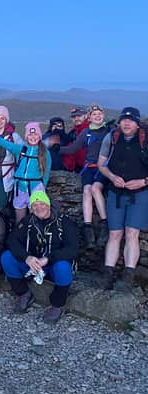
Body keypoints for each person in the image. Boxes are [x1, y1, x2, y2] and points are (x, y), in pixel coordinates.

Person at [0, 191, 78, 324]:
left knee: (63, 267)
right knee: (7, 257)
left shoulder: (63, 222)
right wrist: (26, 258)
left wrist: (48, 258)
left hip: (53, 265)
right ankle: (23, 293)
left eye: (42, 203)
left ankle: (57, 305)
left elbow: (72, 248)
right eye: (34, 205)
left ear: (48, 204)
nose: (39, 207)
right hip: (33, 265)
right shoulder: (28, 221)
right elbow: (12, 240)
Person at [98, 107, 148, 291]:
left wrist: (143, 181)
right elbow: (101, 164)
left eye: (130, 120)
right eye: (123, 120)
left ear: (137, 122)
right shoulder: (111, 137)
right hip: (116, 193)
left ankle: (128, 274)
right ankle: (108, 273)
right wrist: (112, 177)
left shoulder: (145, 139)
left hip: (140, 193)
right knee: (114, 234)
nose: (126, 123)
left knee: (132, 233)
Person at [58, 103, 110, 248]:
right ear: (90, 117)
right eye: (94, 114)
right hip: (89, 168)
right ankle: (88, 229)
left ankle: (104, 223)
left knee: (95, 189)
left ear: (103, 115)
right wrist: (56, 149)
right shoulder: (86, 133)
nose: (97, 116)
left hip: (104, 168)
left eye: (99, 114)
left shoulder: (109, 131)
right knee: (86, 190)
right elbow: (73, 149)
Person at [0, 122, 51, 224]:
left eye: (36, 134)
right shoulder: (21, 149)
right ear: (26, 136)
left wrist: (43, 187)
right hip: (19, 188)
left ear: (40, 136)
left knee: (36, 216)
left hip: (36, 188)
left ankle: (35, 237)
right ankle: (19, 236)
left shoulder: (45, 152)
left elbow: (46, 173)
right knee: (19, 219)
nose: (33, 137)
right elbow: (7, 144)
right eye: (30, 135)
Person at [63, 106, 89, 172]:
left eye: (79, 116)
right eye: (74, 117)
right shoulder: (73, 132)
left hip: (88, 167)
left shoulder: (90, 130)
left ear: (85, 116)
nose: (76, 118)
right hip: (77, 167)